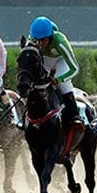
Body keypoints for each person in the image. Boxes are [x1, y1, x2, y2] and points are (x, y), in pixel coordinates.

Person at [28, 16, 83, 156]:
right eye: (37, 40)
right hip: (44, 62)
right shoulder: (32, 41)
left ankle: (74, 116)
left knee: (63, 86)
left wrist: (59, 79)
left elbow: (75, 68)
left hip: (61, 63)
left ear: (51, 37)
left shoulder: (60, 41)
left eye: (43, 40)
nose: (40, 44)